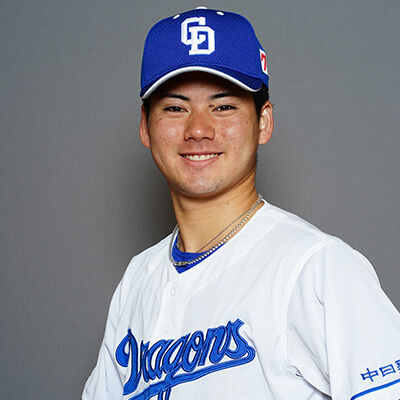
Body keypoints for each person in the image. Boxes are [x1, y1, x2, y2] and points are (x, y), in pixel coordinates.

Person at [82, 7, 400, 400]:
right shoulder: (137, 279)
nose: (198, 129)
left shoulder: (316, 268)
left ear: (264, 121)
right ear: (145, 126)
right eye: (176, 107)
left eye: (223, 106)